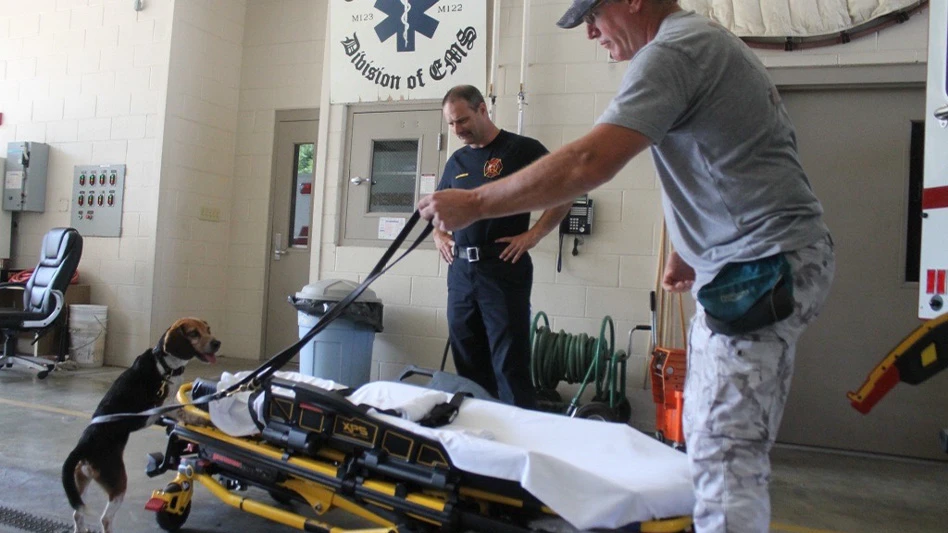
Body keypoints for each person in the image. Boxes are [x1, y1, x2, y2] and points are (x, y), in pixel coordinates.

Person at [418, 2, 835, 532]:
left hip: (761, 262)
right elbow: (716, 154)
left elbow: (586, 164)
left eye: (595, 13)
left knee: (725, 452)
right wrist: (689, 244)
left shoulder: (674, 49)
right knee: (708, 439)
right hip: (741, 262)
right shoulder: (696, 46)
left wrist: (476, 203)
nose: (591, 32)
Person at [433, 85, 571, 409]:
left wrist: (534, 234)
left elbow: (566, 190)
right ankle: (480, 433)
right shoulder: (457, 161)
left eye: (462, 120)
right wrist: (439, 235)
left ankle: (519, 441)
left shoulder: (521, 149)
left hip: (503, 268)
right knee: (467, 358)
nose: (457, 130)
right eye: (451, 124)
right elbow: (439, 209)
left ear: (483, 109)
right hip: (462, 272)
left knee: (509, 362)